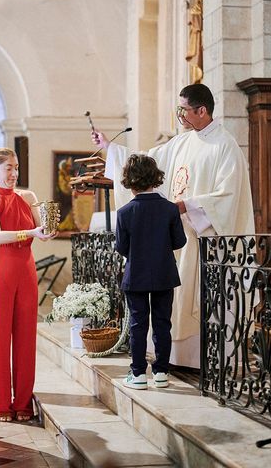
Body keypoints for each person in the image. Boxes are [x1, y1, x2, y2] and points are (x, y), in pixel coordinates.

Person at [92, 83, 254, 369]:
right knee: (171, 309)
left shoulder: (225, 146)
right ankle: (172, 361)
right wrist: (111, 149)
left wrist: (184, 205)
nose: (180, 116)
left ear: (202, 110)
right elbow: (148, 161)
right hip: (178, 239)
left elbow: (228, 197)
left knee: (192, 300)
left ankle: (207, 361)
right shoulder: (183, 141)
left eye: (184, 110)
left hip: (205, 241)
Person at [0, 148, 54, 422]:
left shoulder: (28, 196)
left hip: (26, 270)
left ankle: (23, 402)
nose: (14, 174)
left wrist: (48, 230)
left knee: (26, 338)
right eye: (8, 169)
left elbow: (43, 231)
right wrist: (32, 233)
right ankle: (1, 404)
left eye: (16, 168)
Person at [115, 154, 187, 390]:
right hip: (164, 274)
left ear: (130, 181)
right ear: (155, 178)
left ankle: (137, 374)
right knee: (162, 323)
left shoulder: (125, 212)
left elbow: (122, 247)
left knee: (138, 324)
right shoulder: (169, 209)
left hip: (136, 274)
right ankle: (162, 372)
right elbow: (179, 241)